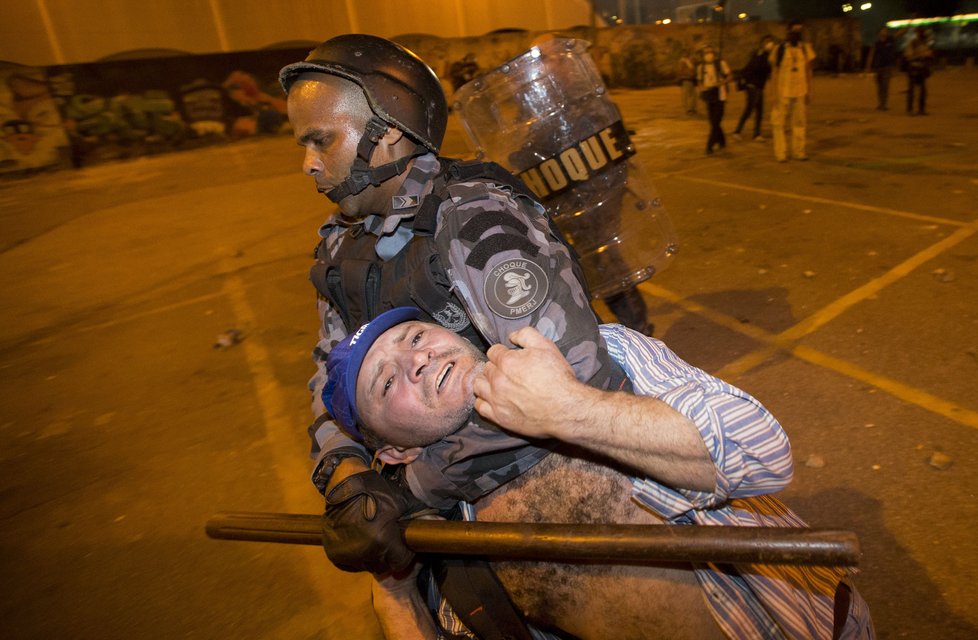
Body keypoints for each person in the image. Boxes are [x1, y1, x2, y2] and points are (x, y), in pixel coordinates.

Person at [278, 34, 627, 575]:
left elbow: (574, 382)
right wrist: (346, 476)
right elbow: (332, 370)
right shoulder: (343, 244)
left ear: (386, 131)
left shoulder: (472, 218)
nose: (307, 163)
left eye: (321, 141)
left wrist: (413, 488)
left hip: (559, 486)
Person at [324, 307, 877, 640]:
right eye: (386, 382)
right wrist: (393, 592)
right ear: (394, 453)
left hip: (820, 624)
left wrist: (569, 408)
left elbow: (764, 454)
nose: (414, 360)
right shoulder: (449, 540)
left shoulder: (589, 358)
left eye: (415, 337)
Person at [770, 20, 816, 162]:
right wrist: (773, 93)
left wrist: (809, 90)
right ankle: (781, 153)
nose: (797, 34)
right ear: (788, 32)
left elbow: (809, 71)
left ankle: (799, 152)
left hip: (800, 90)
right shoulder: (779, 49)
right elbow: (775, 72)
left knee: (800, 122)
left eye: (799, 31)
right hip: (783, 91)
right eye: (794, 31)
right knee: (779, 123)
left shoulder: (806, 49)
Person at [733, 35, 774, 142]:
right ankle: (737, 131)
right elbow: (754, 67)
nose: (769, 44)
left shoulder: (768, 56)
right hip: (752, 86)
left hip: (759, 86)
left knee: (760, 110)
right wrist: (762, 56)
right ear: (762, 44)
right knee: (749, 109)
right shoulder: (758, 54)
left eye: (770, 42)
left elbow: (768, 70)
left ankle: (757, 134)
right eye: (767, 42)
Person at [696, 45, 732, 155]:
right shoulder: (700, 68)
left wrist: (722, 83)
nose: (708, 55)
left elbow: (730, 76)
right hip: (709, 95)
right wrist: (702, 88)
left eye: (710, 52)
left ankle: (709, 145)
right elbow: (699, 81)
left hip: (720, 94)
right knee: (713, 121)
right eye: (706, 53)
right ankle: (722, 140)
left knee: (716, 120)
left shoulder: (720, 64)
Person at [865, 27, 899, 111]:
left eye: (885, 31)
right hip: (878, 67)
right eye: (883, 31)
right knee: (880, 87)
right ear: (879, 33)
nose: (884, 32)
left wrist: (910, 22)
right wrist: (868, 67)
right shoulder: (877, 44)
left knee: (885, 86)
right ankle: (880, 104)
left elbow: (900, 33)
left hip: (887, 67)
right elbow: (871, 55)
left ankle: (883, 104)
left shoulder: (890, 40)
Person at [903, 27, 934, 116]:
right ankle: (910, 110)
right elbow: (908, 57)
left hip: (922, 69)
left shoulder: (925, 43)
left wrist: (928, 55)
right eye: (921, 33)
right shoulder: (912, 43)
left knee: (923, 91)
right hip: (913, 68)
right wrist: (921, 54)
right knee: (912, 90)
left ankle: (921, 109)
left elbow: (929, 55)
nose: (923, 35)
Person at [678, 49, 698, 115]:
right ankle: (688, 109)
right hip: (686, 79)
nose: (686, 54)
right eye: (685, 53)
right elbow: (681, 71)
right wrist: (690, 73)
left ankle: (692, 108)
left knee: (693, 94)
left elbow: (694, 68)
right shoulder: (682, 61)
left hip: (691, 79)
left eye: (687, 53)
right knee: (687, 95)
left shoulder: (690, 60)